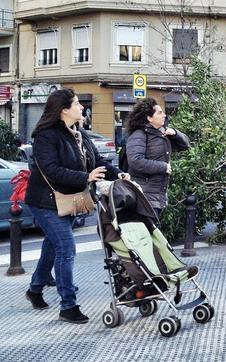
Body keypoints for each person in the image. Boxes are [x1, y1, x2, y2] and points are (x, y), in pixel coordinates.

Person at [24, 88, 129, 324]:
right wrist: (85, 178)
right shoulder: (46, 135)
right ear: (64, 110)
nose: (82, 107)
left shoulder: (78, 132)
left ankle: (35, 289)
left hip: (70, 199)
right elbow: (51, 169)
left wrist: (118, 173)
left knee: (53, 246)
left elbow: (98, 161)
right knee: (66, 248)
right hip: (46, 201)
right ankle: (68, 305)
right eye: (77, 104)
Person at [125, 97, 190, 216]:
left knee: (153, 230)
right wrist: (163, 167)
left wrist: (175, 133)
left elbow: (185, 145)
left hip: (157, 196)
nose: (164, 115)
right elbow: (135, 161)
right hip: (143, 196)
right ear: (149, 118)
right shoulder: (139, 135)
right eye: (160, 113)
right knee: (148, 231)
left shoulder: (162, 133)